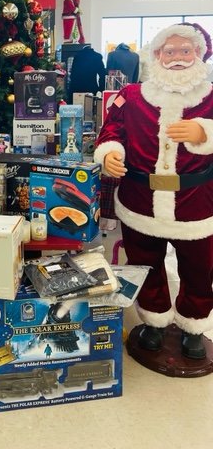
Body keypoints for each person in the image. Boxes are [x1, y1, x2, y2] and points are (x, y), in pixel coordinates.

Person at [94, 23, 213, 360]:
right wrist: (110, 153)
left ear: (198, 54)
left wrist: (204, 132)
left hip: (195, 204)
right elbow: (111, 130)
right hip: (140, 201)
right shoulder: (132, 95)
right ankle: (153, 319)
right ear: (157, 55)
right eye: (169, 51)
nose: (177, 58)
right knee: (145, 265)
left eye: (185, 50)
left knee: (199, 269)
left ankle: (194, 323)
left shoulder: (211, 97)